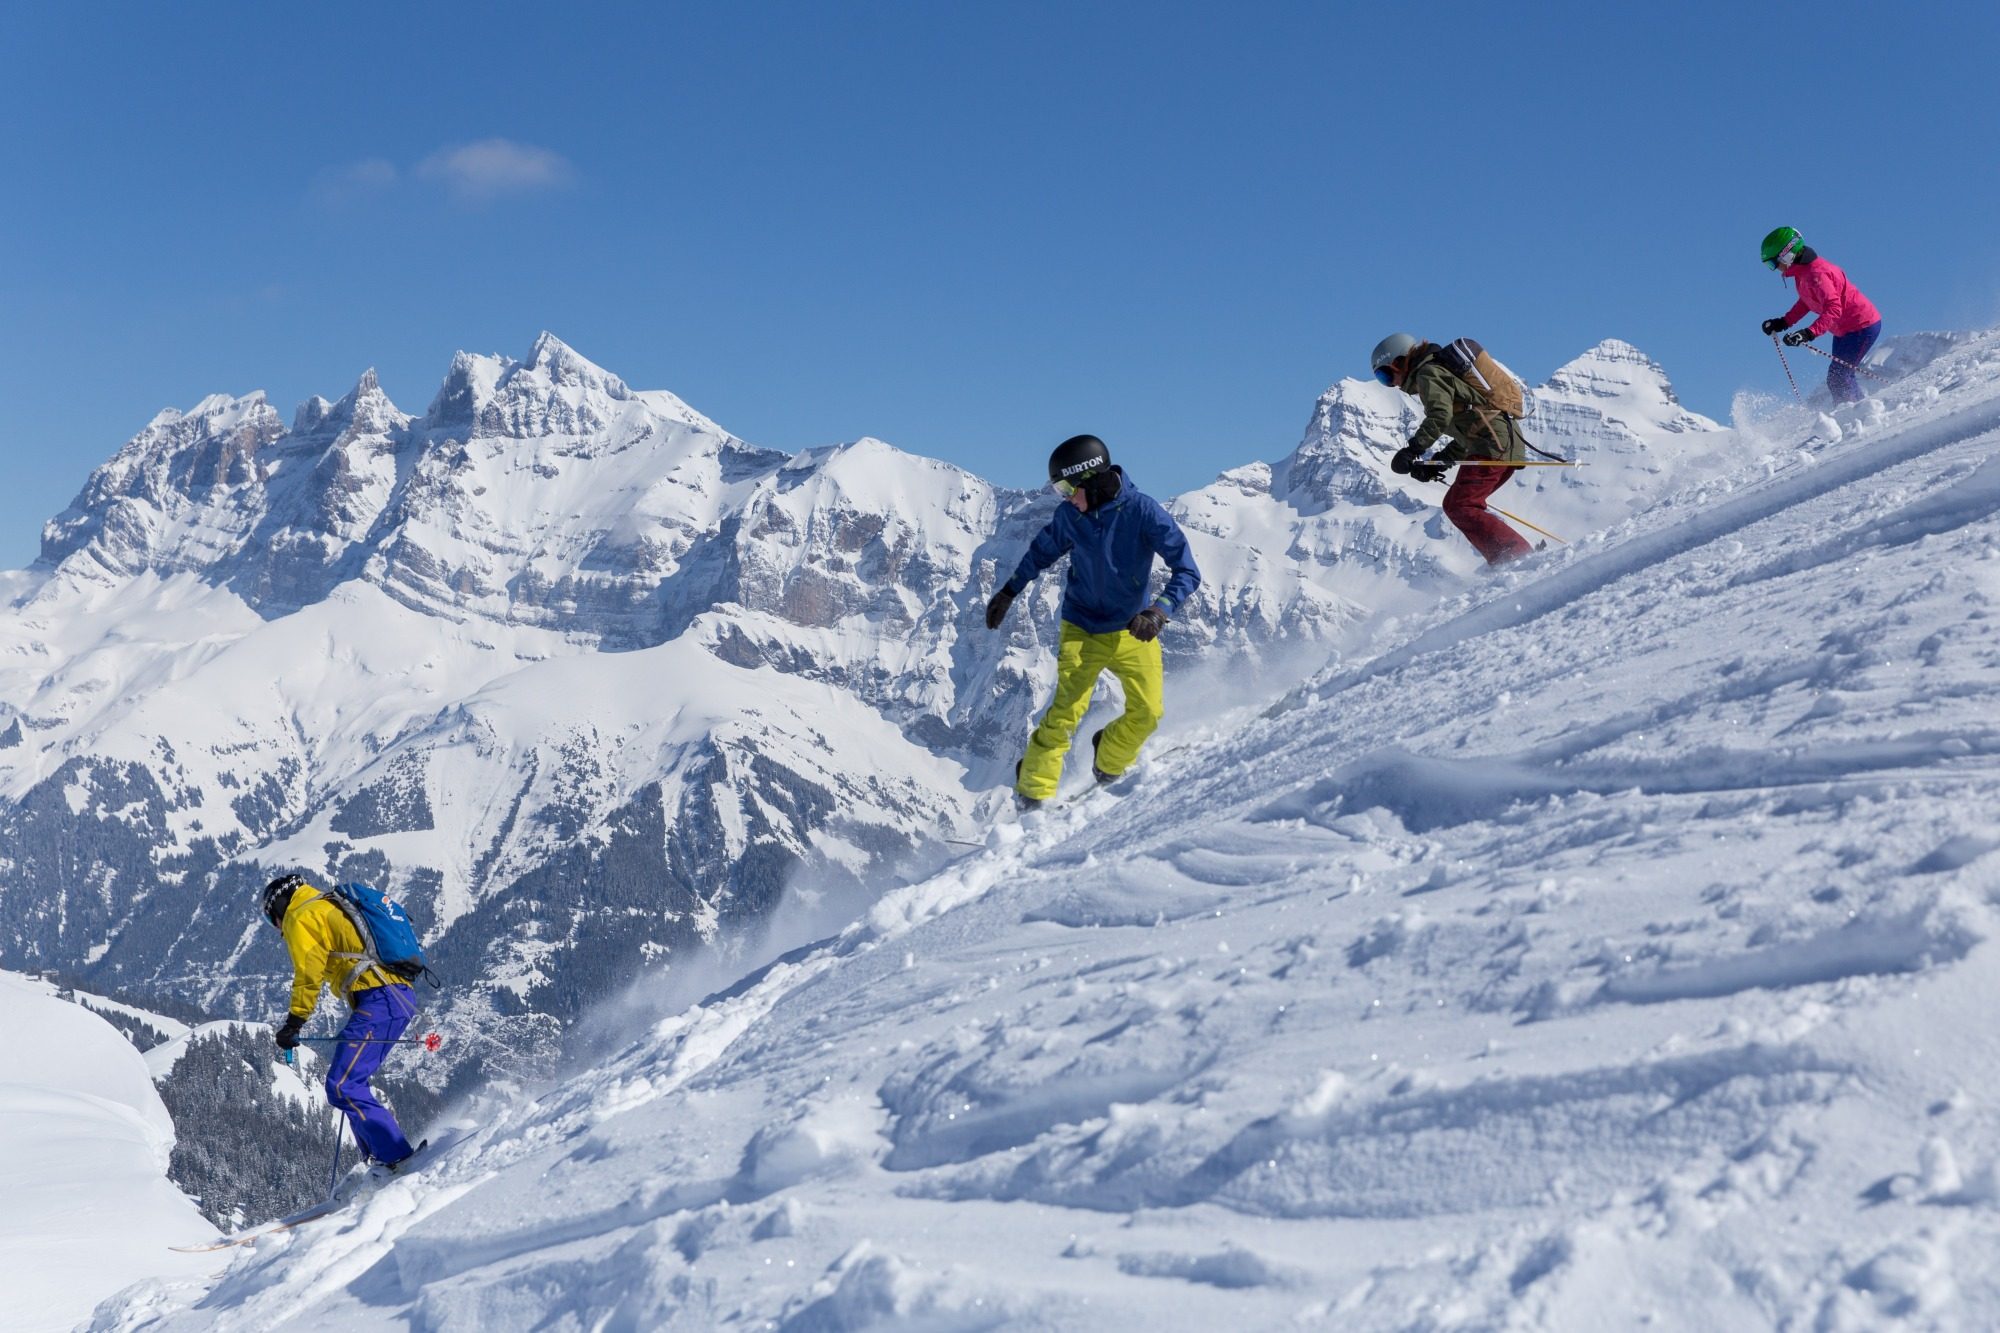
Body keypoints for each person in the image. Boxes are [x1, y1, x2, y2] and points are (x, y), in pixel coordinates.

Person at [984, 434, 1201, 808]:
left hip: (1132, 629)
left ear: (1094, 480)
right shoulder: (1071, 516)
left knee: (1148, 712)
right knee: (1066, 714)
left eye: (1067, 487)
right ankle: (1033, 794)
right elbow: (1040, 553)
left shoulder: (1143, 513)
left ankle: (1109, 758)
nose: (1065, 497)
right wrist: (1009, 591)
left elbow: (1187, 570)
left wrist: (1158, 611)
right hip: (1081, 628)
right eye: (1059, 489)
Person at [262, 873, 418, 1171]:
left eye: (273, 921)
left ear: (279, 906)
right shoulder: (325, 904)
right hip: (389, 998)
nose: (278, 929)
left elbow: (309, 974)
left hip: (381, 999)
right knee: (349, 1083)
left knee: (343, 1085)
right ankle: (378, 1160)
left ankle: (395, 1159)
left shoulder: (302, 915)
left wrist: (294, 1023)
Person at [1370, 333, 1532, 566]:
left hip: (1493, 444)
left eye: (1385, 375)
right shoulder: (1434, 372)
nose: (1391, 384)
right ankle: (1508, 555)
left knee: (1461, 505)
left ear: (1399, 361)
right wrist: (1440, 460)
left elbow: (1440, 416)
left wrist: (1412, 450)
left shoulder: (1428, 373)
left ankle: (1514, 556)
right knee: (1461, 504)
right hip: (1499, 442)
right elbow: (1469, 427)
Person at [1758, 227, 1882, 404]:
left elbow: (1833, 309)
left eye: (1773, 263)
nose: (1775, 269)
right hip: (1844, 330)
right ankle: (1857, 410)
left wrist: (1809, 333)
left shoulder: (1817, 275)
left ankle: (1857, 414)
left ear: (1787, 254)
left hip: (1862, 326)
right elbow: (1807, 301)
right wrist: (1784, 322)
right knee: (1839, 376)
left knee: (1839, 376)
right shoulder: (1803, 273)